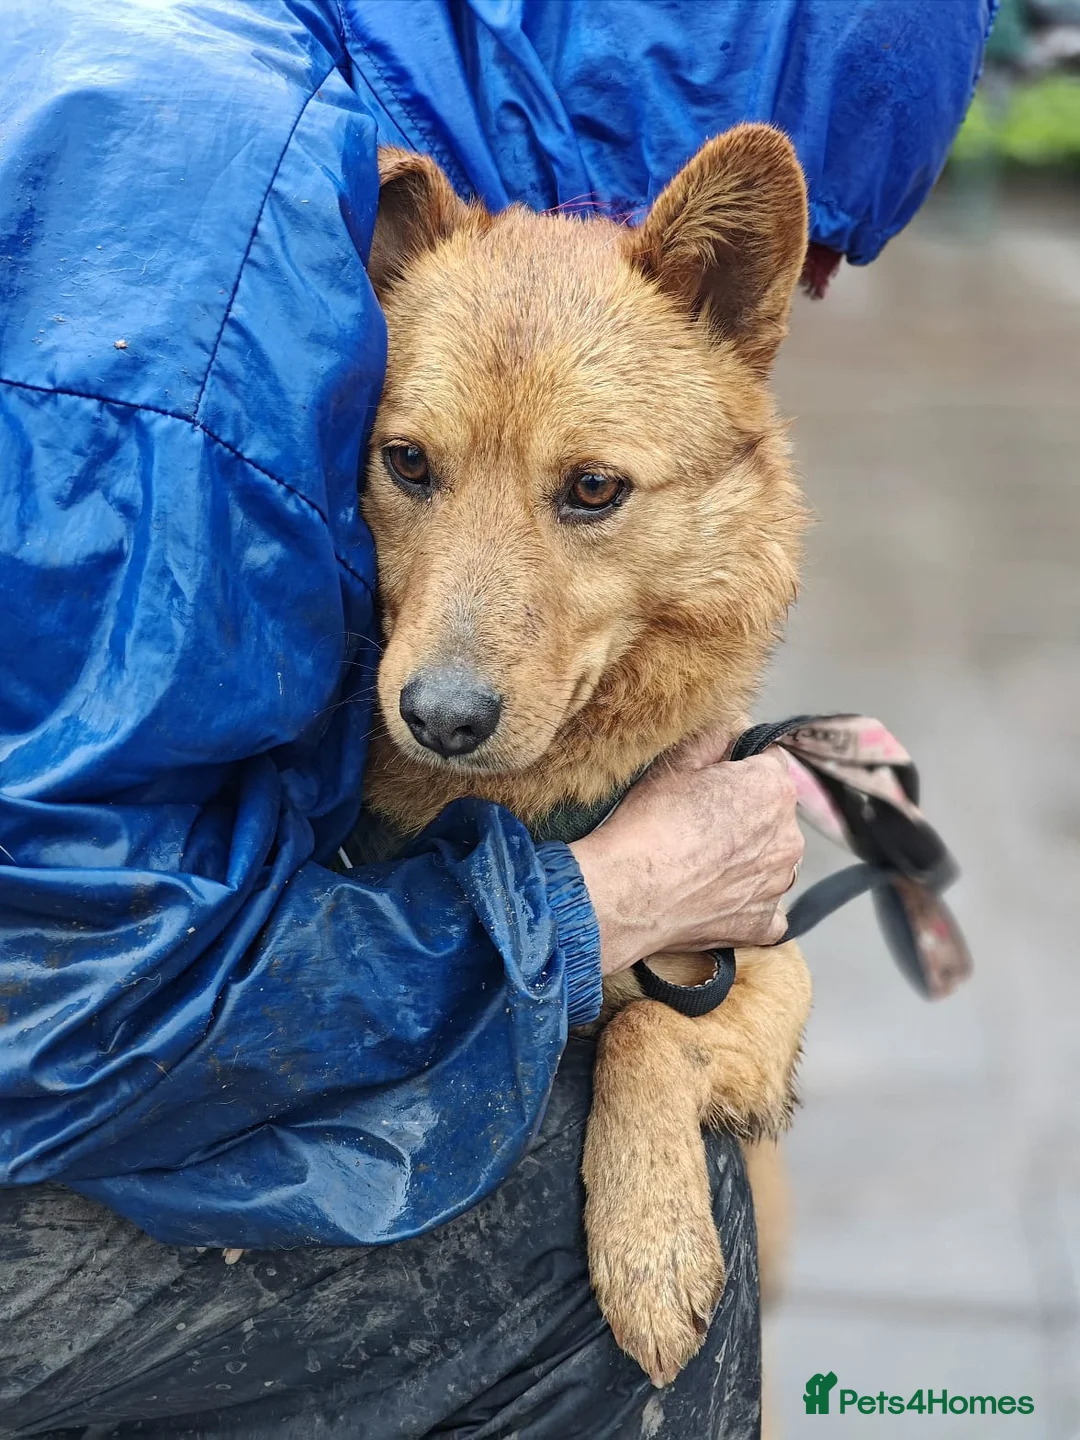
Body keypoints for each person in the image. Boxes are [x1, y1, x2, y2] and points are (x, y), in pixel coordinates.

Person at [0, 2, 994, 1435]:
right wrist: (598, 904)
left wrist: (653, 1006)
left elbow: (744, 987)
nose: (448, 680)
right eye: (409, 468)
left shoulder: (256, 101)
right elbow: (77, 999)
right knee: (584, 1258)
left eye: (588, 492)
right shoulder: (231, 262)